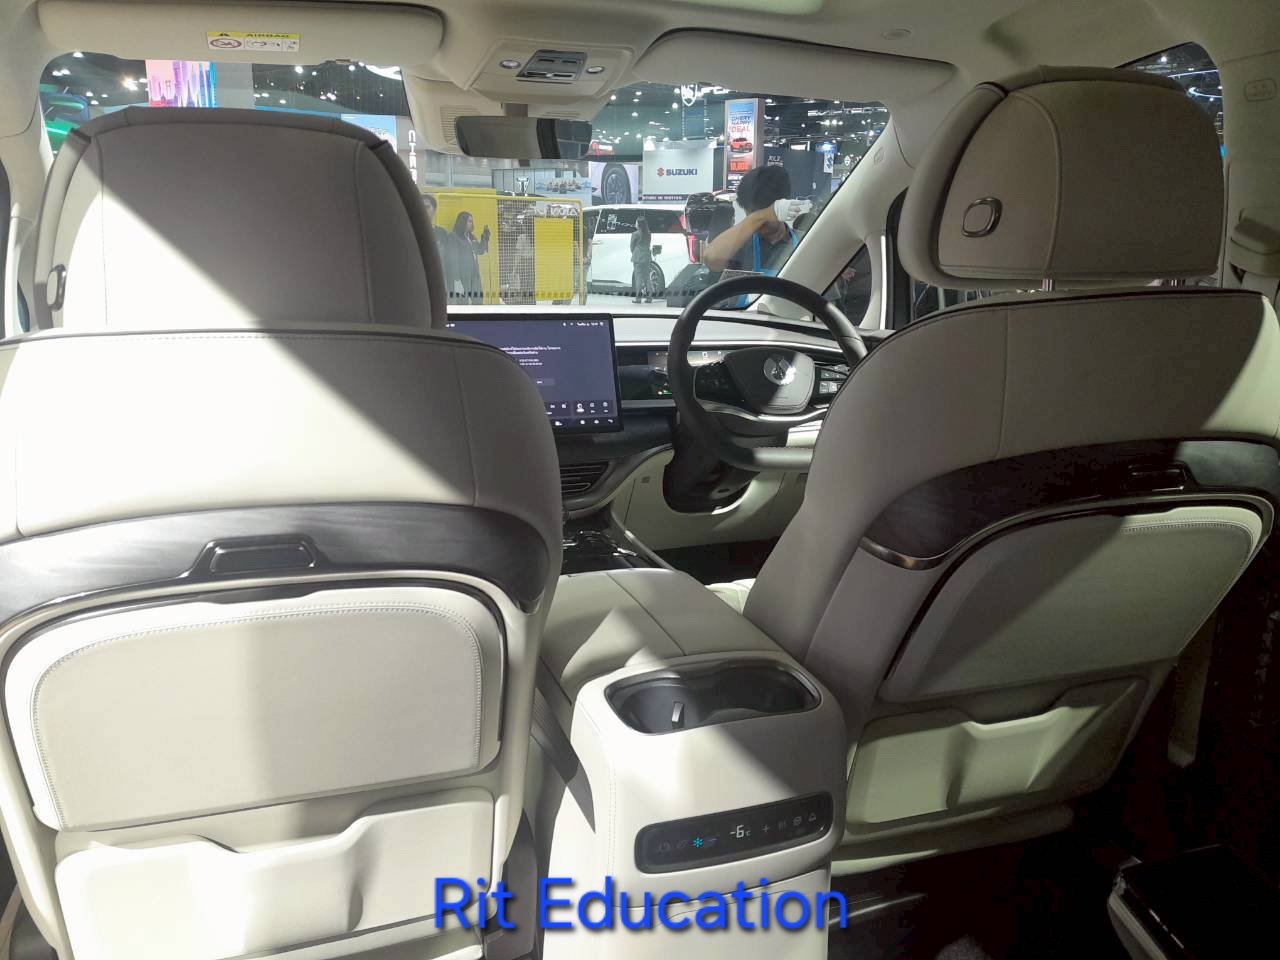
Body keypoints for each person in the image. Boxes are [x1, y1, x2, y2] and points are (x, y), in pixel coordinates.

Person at [700, 165, 798, 276]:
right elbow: (711, 259)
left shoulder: (804, 241)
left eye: (763, 210)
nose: (759, 221)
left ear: (783, 204)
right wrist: (760, 216)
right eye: (751, 213)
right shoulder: (740, 243)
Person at [440, 211, 490, 304]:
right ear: (462, 222)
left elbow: (480, 250)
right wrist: (456, 279)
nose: (472, 223)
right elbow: (453, 260)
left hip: (474, 274)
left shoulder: (471, 237)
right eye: (469, 221)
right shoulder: (453, 237)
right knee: (462, 302)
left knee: (478, 300)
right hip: (462, 275)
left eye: (472, 221)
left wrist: (485, 237)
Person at [630, 215, 654, 303]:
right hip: (647, 257)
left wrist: (635, 253)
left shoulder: (635, 234)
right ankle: (649, 297)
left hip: (638, 258)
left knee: (638, 278)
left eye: (636, 222)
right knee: (647, 278)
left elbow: (631, 247)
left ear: (638, 224)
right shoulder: (649, 233)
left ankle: (638, 298)